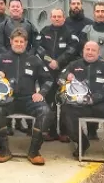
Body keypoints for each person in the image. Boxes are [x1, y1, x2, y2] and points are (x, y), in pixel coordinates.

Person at [0, 29, 54, 165]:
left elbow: (48, 80)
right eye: (16, 41)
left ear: (26, 43)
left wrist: (41, 93)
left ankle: (34, 152)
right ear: (11, 42)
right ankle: (3, 150)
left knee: (46, 112)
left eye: (21, 42)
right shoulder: (0, 59)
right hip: (7, 99)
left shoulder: (34, 60)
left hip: (29, 99)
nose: (18, 44)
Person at [60, 41, 104, 159]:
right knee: (66, 111)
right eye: (87, 49)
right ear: (83, 51)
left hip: (103, 103)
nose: (90, 52)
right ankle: (82, 143)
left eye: (93, 50)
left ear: (98, 53)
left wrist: (95, 97)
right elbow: (60, 79)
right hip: (80, 104)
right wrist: (66, 77)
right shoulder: (73, 65)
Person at [33, 8, 81, 141]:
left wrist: (58, 62)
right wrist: (50, 61)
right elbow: (39, 48)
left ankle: (65, 132)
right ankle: (51, 131)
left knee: (65, 101)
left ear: (64, 18)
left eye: (59, 16)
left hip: (64, 72)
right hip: (47, 72)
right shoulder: (44, 31)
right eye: (54, 16)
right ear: (50, 18)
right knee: (49, 102)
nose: (56, 18)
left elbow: (72, 50)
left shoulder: (70, 33)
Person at [0, 0, 35, 134]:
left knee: (27, 90)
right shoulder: (3, 25)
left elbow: (35, 43)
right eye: (13, 6)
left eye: (18, 6)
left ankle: (29, 126)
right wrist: (9, 56)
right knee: (7, 91)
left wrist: (28, 56)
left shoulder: (29, 25)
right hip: (7, 63)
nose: (15, 8)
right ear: (9, 9)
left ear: (22, 8)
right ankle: (7, 126)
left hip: (26, 62)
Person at [80, 2, 104, 140]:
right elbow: (81, 48)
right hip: (90, 69)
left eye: (103, 11)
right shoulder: (87, 30)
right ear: (94, 13)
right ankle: (92, 130)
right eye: (98, 11)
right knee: (90, 95)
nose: (100, 13)